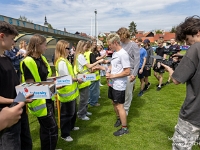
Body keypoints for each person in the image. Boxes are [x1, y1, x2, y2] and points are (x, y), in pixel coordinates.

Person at [161, 15, 200, 150]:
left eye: (188, 40)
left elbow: (176, 80)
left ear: (197, 33)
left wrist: (170, 69)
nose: (187, 44)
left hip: (194, 113)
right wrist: (184, 57)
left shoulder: (195, 49)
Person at [20, 34, 58, 150]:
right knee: (52, 128)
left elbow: (45, 77)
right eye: (44, 45)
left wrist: (54, 83)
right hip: (39, 100)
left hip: (47, 97)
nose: (46, 48)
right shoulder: (28, 61)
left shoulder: (42, 58)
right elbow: (30, 84)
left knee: (47, 129)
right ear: (37, 45)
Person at [0, 21, 32, 150]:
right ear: (2, 36)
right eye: (12, 39)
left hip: (19, 113)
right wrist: (15, 100)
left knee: (26, 145)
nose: (14, 43)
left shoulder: (6, 58)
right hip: (6, 117)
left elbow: (12, 84)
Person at [54, 40, 81, 142]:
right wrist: (76, 79)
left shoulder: (64, 60)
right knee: (67, 114)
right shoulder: (61, 62)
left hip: (71, 92)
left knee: (72, 112)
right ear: (62, 49)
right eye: (67, 48)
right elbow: (65, 78)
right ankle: (65, 134)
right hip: (66, 93)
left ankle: (71, 127)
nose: (69, 50)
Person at [106, 33, 130, 136]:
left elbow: (127, 71)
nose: (109, 47)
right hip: (113, 84)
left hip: (119, 85)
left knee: (120, 106)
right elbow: (112, 65)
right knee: (113, 103)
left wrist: (113, 76)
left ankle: (124, 129)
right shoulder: (115, 53)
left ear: (115, 42)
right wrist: (108, 71)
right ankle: (119, 119)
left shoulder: (123, 54)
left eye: (110, 45)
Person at [74, 40, 103, 120]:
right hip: (82, 79)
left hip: (84, 78)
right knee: (83, 98)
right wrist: (99, 61)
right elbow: (89, 66)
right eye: (85, 46)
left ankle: (84, 111)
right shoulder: (80, 56)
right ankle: (81, 114)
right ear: (81, 46)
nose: (86, 48)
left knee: (86, 97)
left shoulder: (80, 55)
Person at [116, 27, 140, 116]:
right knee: (119, 93)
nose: (119, 38)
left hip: (130, 72)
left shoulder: (133, 45)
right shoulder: (120, 44)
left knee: (127, 94)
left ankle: (125, 113)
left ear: (124, 34)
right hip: (120, 72)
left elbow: (137, 60)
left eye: (119, 35)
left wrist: (134, 74)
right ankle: (120, 113)